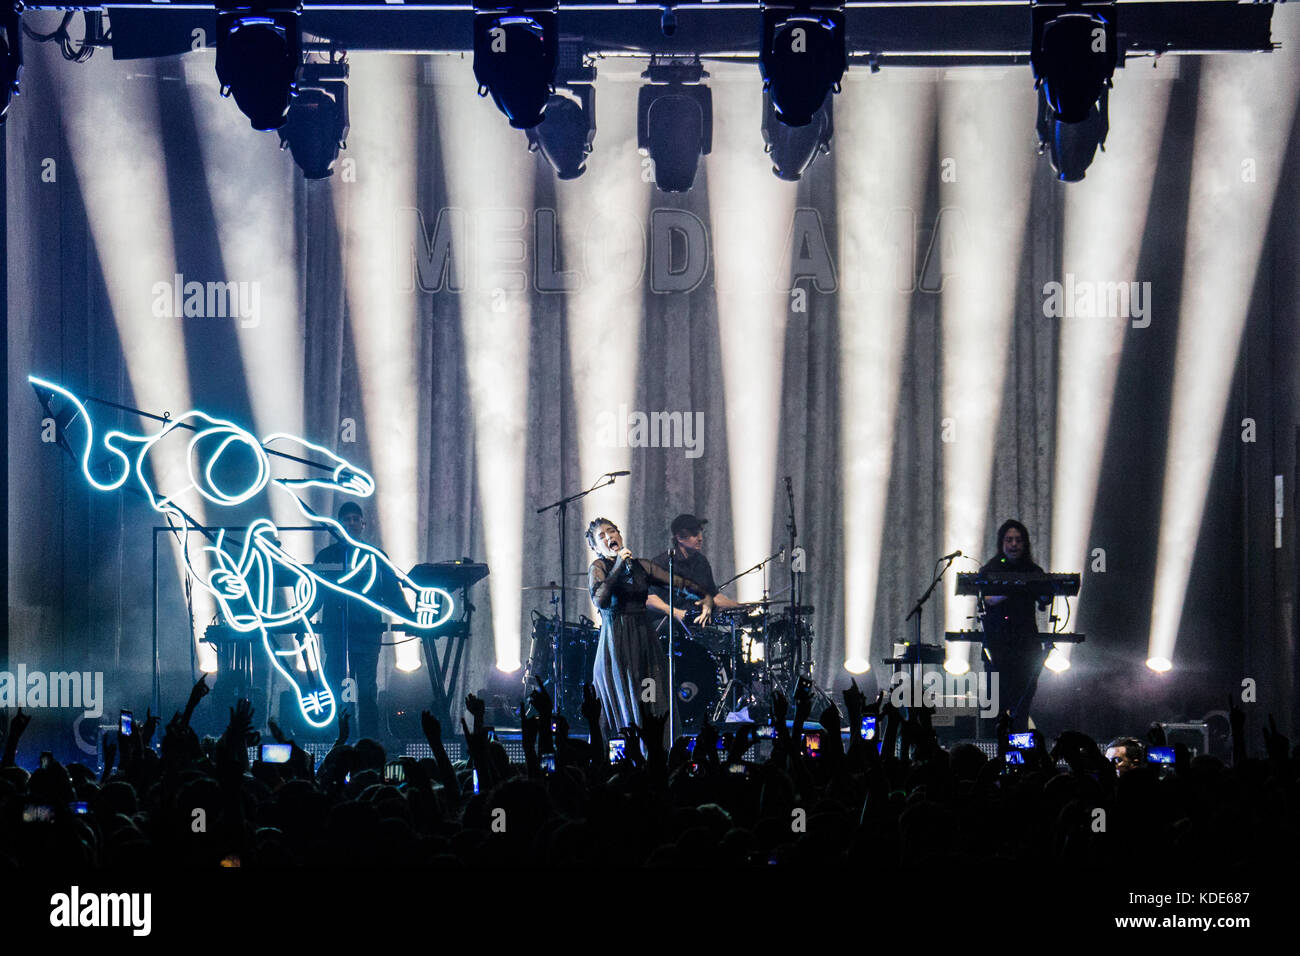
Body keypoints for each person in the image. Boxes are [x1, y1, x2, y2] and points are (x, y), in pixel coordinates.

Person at [586, 518, 714, 746]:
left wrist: (705, 598)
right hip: (616, 643)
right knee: (623, 699)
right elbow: (600, 599)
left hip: (644, 641)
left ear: (620, 535)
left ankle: (655, 752)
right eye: (602, 536)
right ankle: (622, 755)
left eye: (612, 531)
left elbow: (680, 584)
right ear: (596, 547)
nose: (609, 537)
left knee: (649, 694)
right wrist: (617, 566)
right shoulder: (599, 567)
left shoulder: (641, 567)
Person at [315, 502, 386, 739]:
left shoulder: (376, 556)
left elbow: (390, 592)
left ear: (363, 524)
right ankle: (343, 742)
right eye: (347, 519)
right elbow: (318, 594)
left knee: (365, 692)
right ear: (339, 525)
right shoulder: (326, 557)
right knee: (339, 693)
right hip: (338, 637)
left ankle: (366, 743)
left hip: (365, 636)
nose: (351, 523)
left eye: (356, 519)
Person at [979, 519, 1049, 732]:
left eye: (1018, 540)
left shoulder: (1033, 570)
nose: (1014, 544)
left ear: (1025, 543)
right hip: (997, 646)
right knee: (998, 702)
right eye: (1009, 540)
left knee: (1023, 703)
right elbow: (989, 598)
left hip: (1027, 646)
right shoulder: (990, 569)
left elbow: (1044, 601)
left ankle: (1020, 749)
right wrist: (1017, 587)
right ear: (1002, 543)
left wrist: (1045, 590)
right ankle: (999, 748)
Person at [647, 513, 742, 626]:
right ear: (679, 537)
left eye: (701, 533)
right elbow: (648, 598)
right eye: (694, 534)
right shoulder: (662, 563)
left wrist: (739, 606)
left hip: (696, 624)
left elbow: (713, 595)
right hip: (668, 624)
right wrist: (677, 613)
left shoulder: (702, 562)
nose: (700, 538)